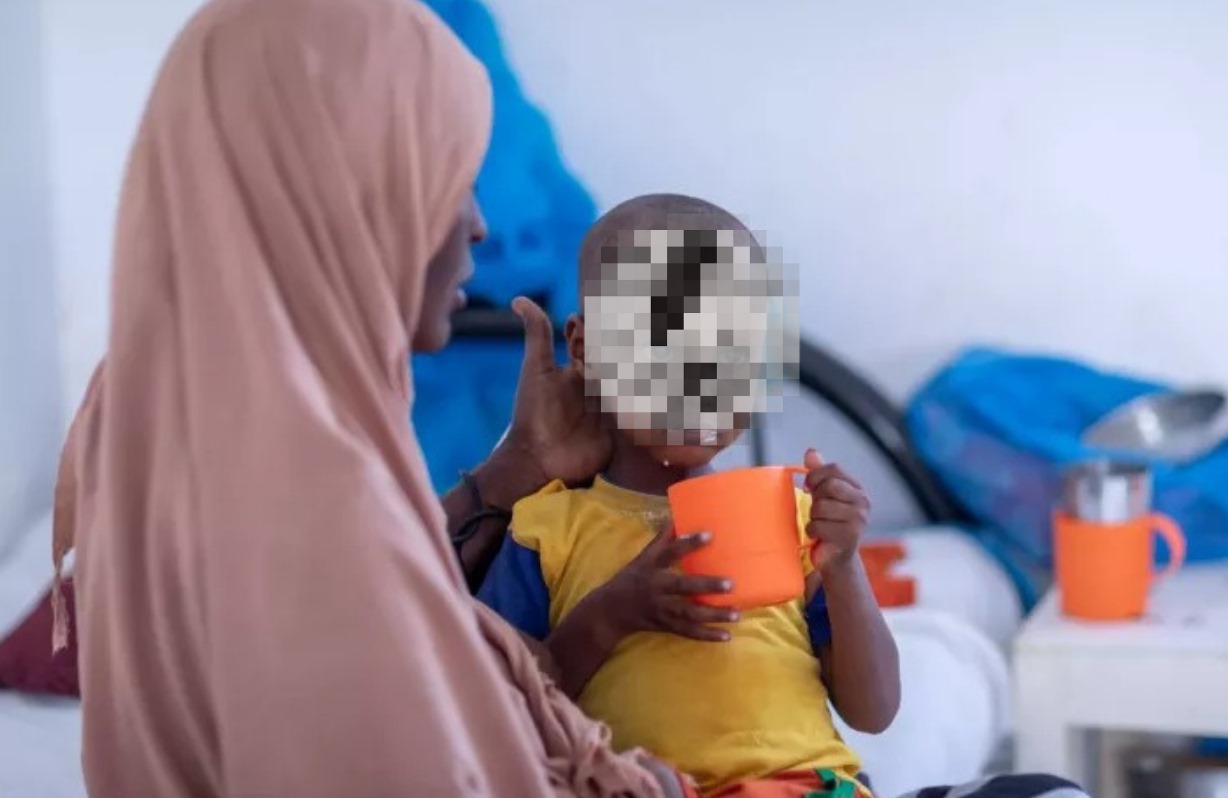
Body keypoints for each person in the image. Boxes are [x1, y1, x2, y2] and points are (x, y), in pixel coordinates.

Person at [49, 0, 680, 794]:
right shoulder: (311, 498)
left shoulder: (150, 409)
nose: (479, 228)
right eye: (445, 174)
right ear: (340, 181)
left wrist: (505, 479)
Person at [478, 194, 898, 797]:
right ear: (586, 351)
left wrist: (845, 565)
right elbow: (498, 710)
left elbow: (874, 711)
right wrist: (613, 614)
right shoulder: (546, 529)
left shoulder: (796, 519)